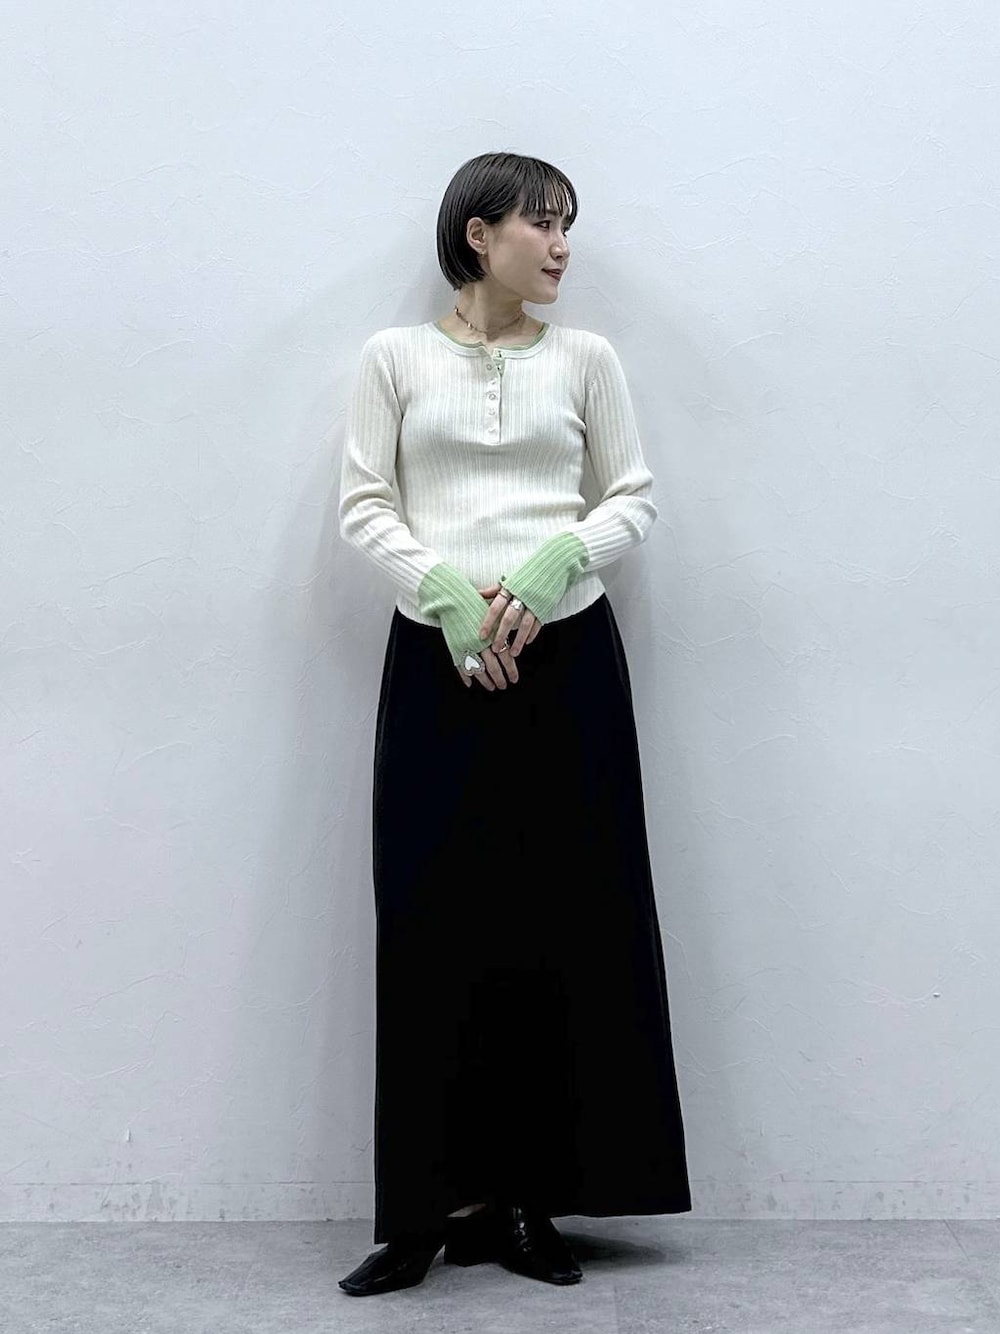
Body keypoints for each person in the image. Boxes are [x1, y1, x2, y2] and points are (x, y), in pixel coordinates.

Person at [336, 151, 691, 1297]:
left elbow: (631, 493)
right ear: (477, 234)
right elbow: (365, 503)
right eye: (542, 223)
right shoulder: (393, 359)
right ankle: (421, 1211)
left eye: (567, 224)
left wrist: (552, 565)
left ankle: (529, 1202)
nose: (562, 245)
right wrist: (444, 590)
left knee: (560, 924)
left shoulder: (588, 360)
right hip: (437, 662)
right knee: (429, 924)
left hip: (567, 660)